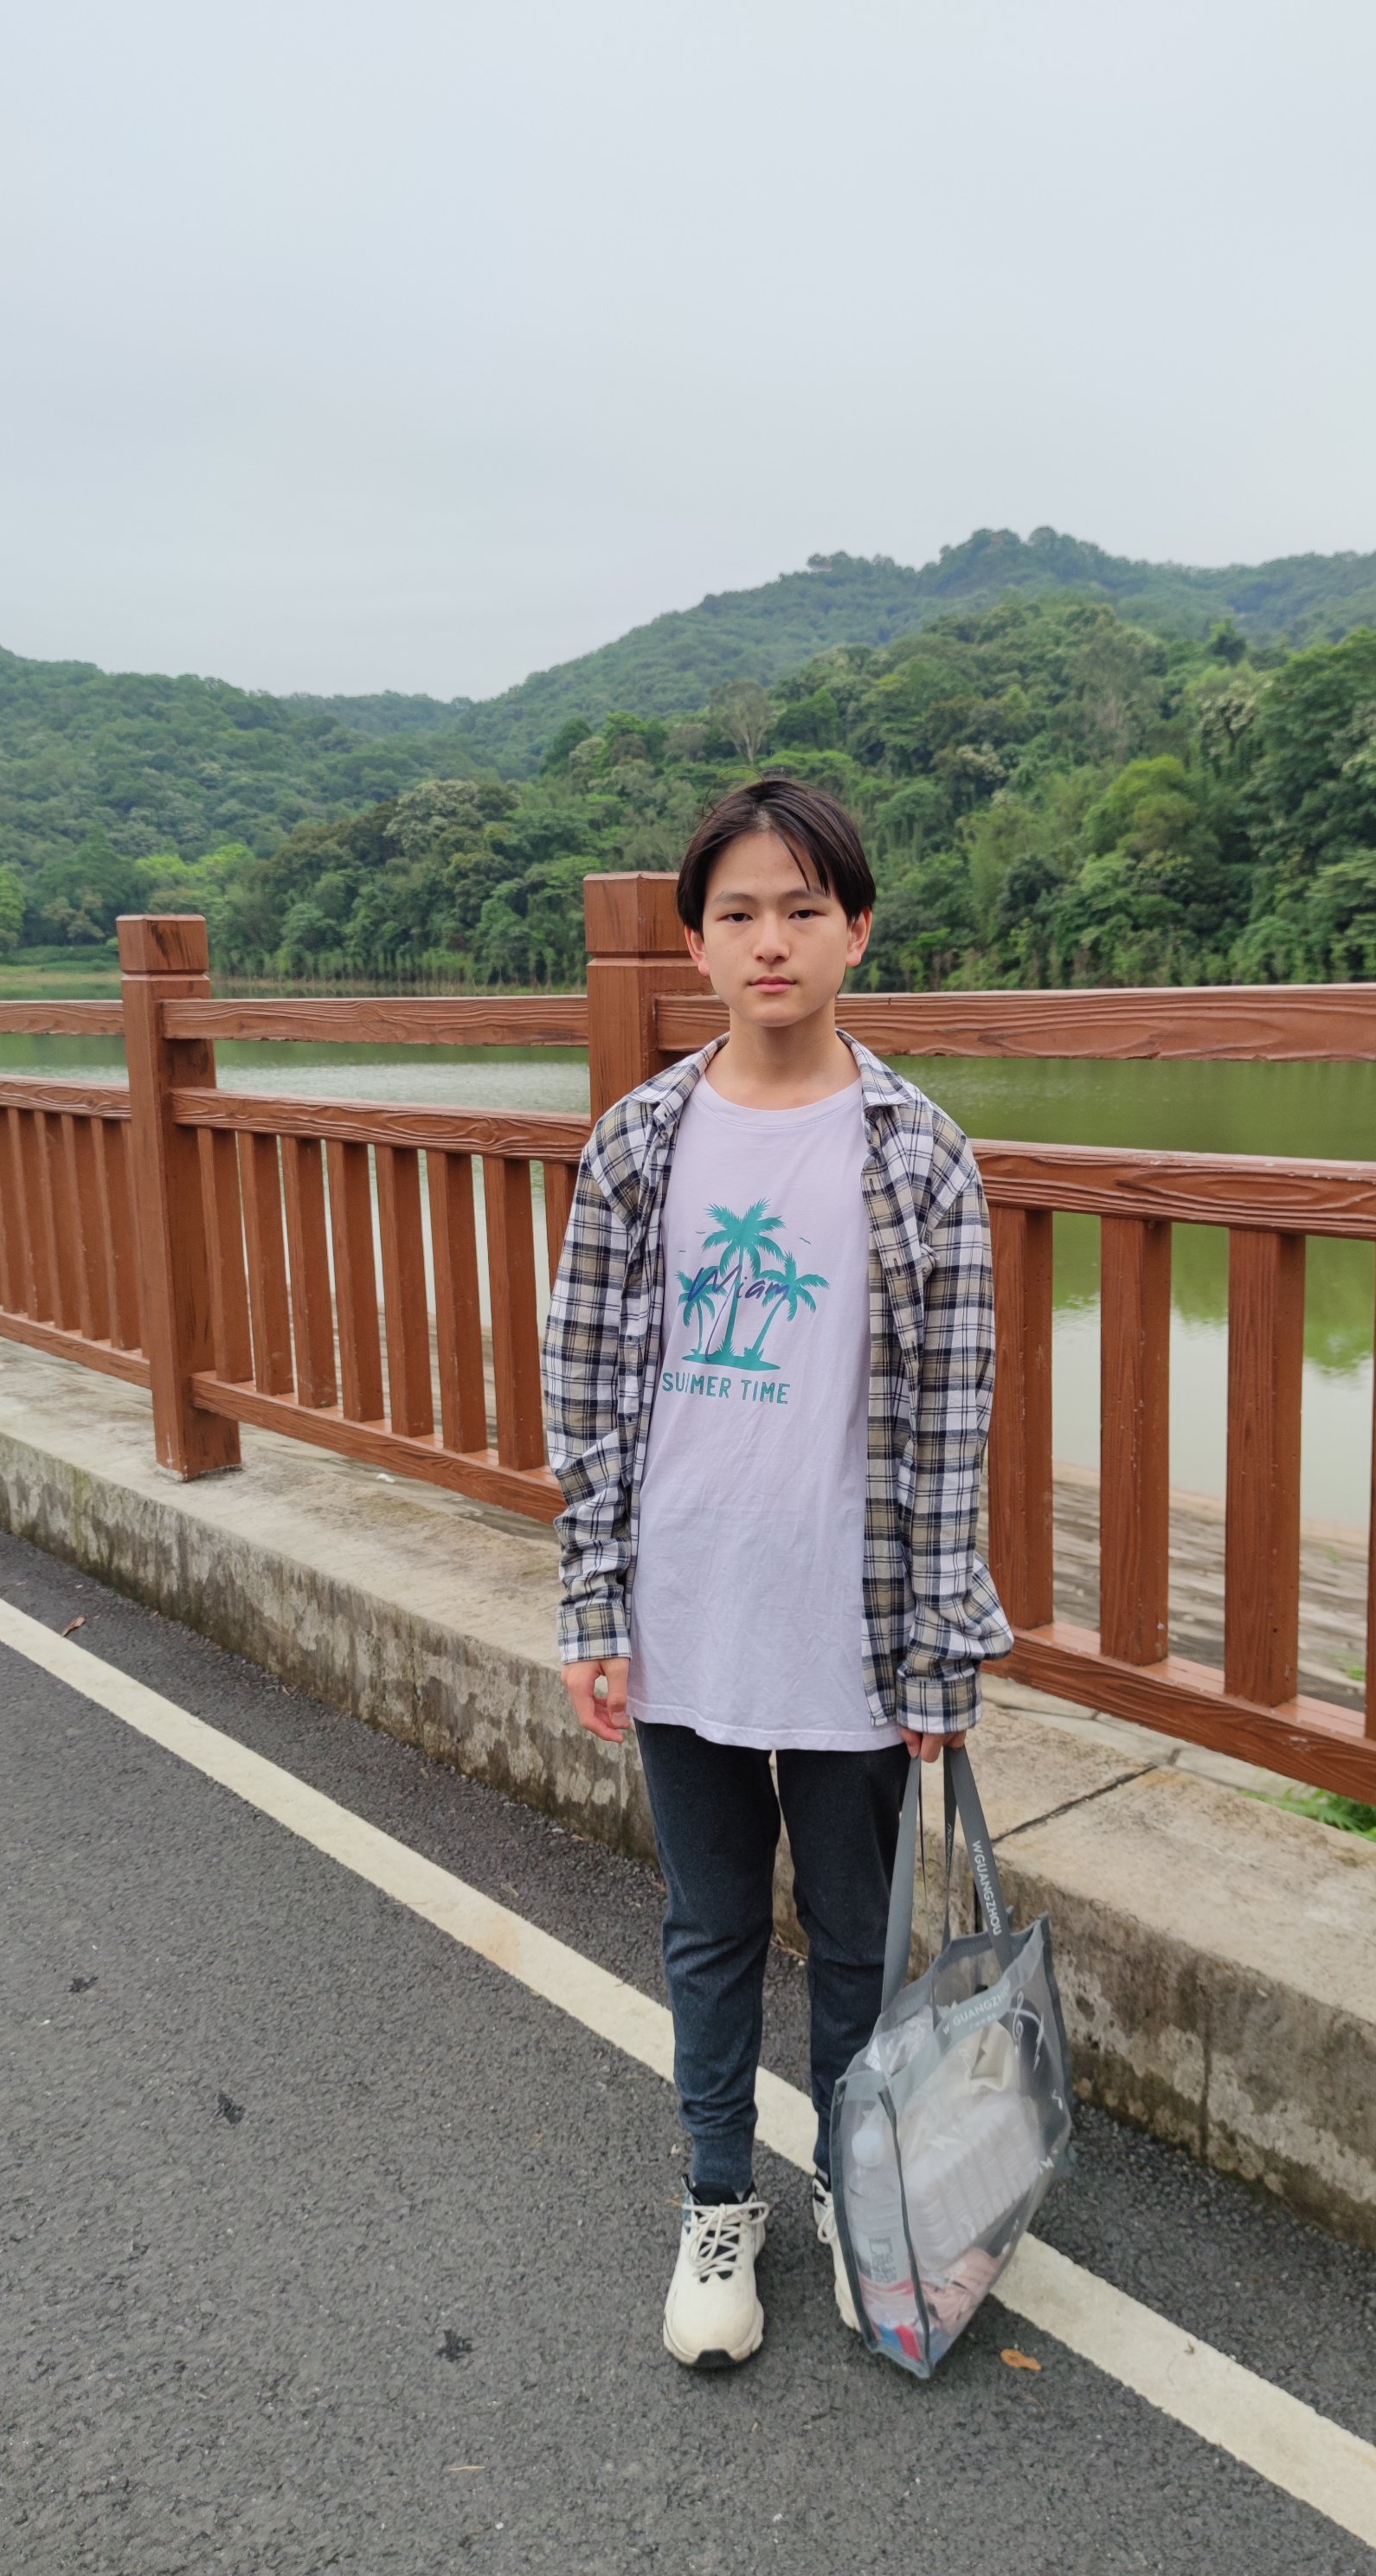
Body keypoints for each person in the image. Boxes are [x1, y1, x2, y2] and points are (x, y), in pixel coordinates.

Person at [540, 775, 1011, 2370]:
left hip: (851, 1629)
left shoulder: (918, 1152)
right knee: (710, 1930)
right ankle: (717, 2200)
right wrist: (592, 1602)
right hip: (683, 1612)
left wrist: (941, 1648)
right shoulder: (641, 1141)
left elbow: (950, 1421)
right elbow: (587, 1390)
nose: (769, 941)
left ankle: (856, 2192)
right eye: (736, 912)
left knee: (859, 1941)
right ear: (694, 941)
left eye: (803, 909)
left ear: (855, 930)